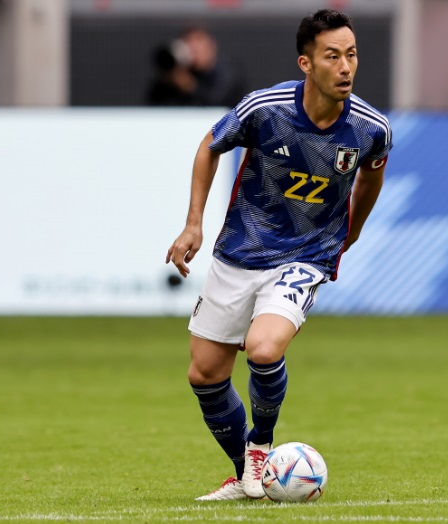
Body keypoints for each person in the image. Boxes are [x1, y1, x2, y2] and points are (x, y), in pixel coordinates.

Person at [165, 9, 392, 501]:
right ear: (306, 63)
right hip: (240, 251)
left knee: (264, 349)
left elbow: (372, 174)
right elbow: (210, 145)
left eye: (351, 55)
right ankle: (249, 477)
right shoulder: (265, 109)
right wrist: (193, 223)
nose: (345, 67)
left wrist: (352, 230)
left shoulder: (370, 127)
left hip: (306, 256)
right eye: (332, 56)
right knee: (204, 374)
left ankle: (261, 446)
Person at [146, 27, 243, 107]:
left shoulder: (228, 71)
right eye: (188, 42)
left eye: (198, 41)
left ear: (211, 45)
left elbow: (217, 102)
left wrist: (189, 85)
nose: (193, 48)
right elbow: (154, 102)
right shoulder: (181, 71)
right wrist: (168, 77)